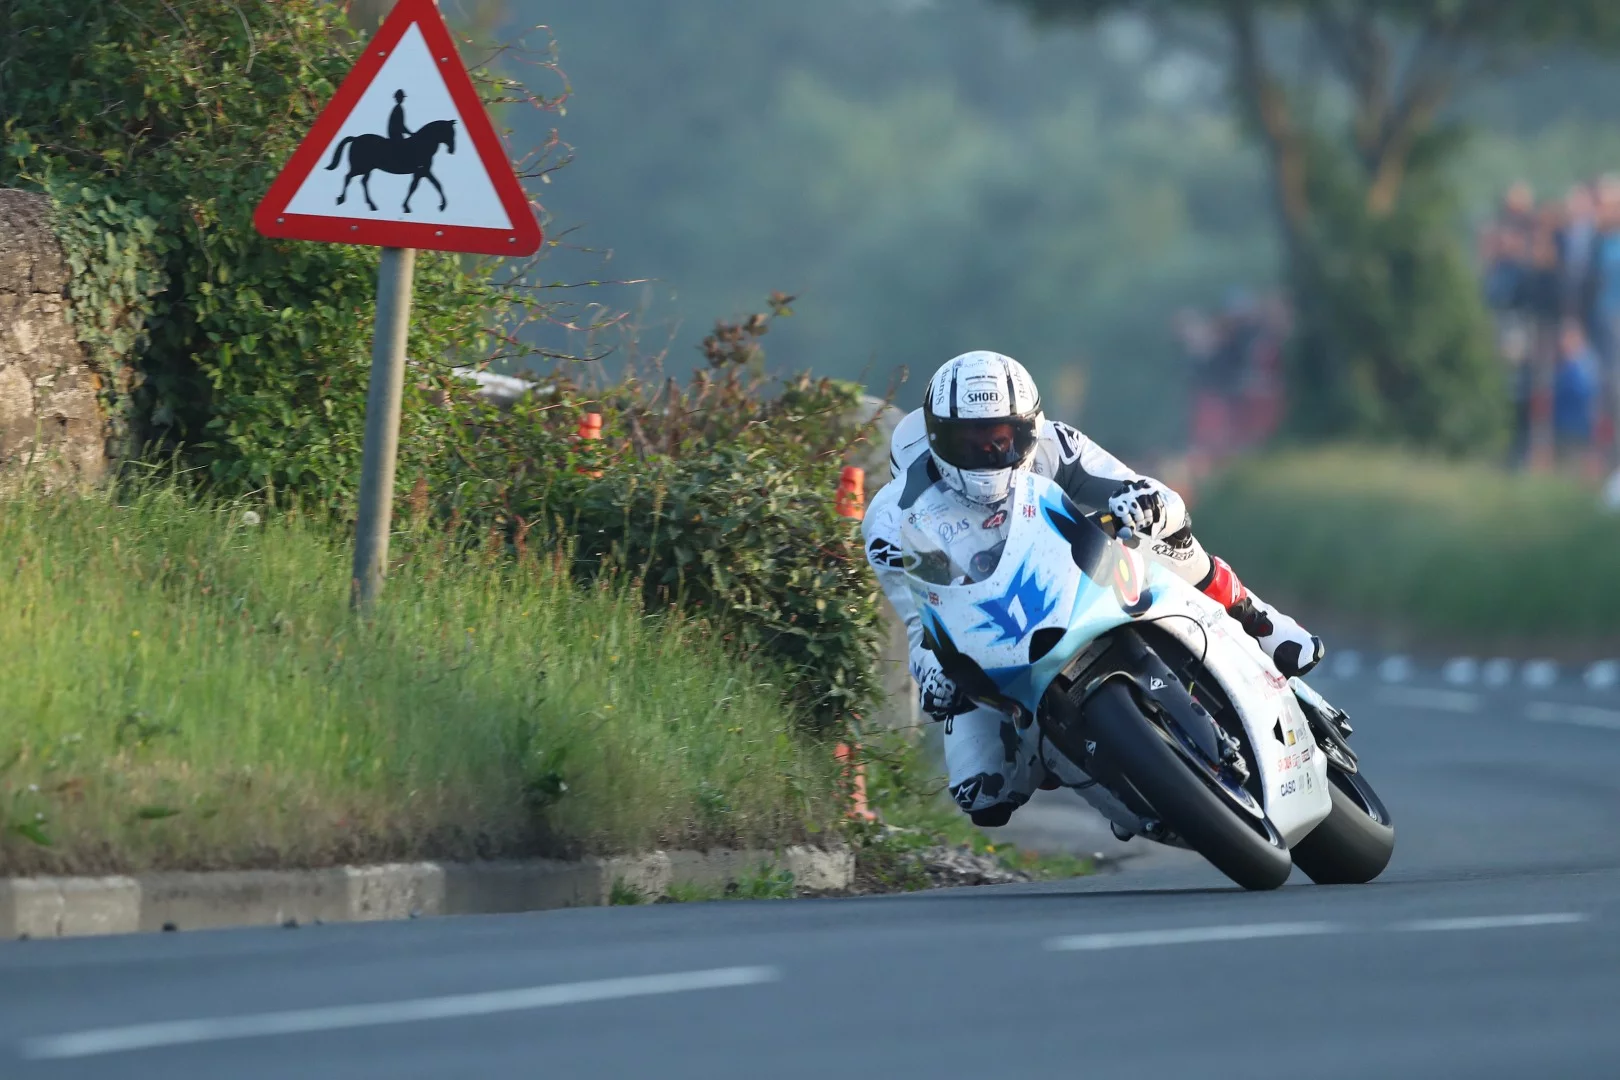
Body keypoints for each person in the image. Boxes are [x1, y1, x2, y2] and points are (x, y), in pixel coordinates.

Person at [861, 351, 1324, 828]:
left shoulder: (1054, 444)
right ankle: (1092, 765)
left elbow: (1146, 490)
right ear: (936, 440)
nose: (988, 454)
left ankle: (1256, 619)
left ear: (1029, 428)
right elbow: (919, 623)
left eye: (1001, 438)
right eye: (968, 442)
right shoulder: (894, 521)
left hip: (1078, 573)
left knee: (1159, 535)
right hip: (991, 642)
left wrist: (1149, 506)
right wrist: (934, 674)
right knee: (982, 795)